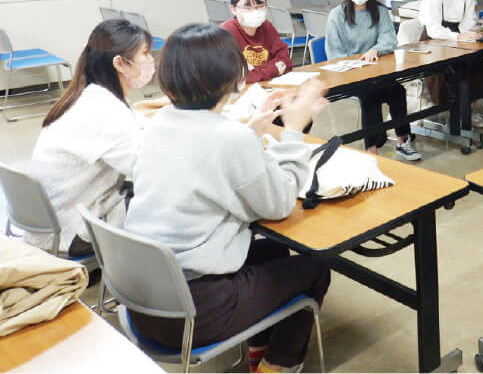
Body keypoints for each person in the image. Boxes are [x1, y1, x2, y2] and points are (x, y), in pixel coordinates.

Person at [124, 23, 329, 374]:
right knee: (315, 269)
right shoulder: (229, 138)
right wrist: (293, 130)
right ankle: (276, 366)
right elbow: (279, 204)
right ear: (233, 75)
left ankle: (257, 348)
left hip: (145, 303)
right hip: (195, 314)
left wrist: (249, 132)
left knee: (272, 250)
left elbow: (202, 155)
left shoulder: (159, 123)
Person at [27, 19, 154, 257]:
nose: (151, 60)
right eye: (146, 54)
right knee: (173, 197)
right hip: (71, 230)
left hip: (51, 221)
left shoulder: (91, 95)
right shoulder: (103, 110)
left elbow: (141, 126)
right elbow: (149, 170)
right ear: (120, 63)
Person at [325, 0, 420, 161]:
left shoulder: (380, 12)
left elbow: (389, 39)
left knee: (397, 91)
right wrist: (354, 64)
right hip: (350, 73)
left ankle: (403, 141)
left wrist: (374, 50)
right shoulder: (337, 14)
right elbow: (334, 52)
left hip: (376, 71)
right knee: (370, 96)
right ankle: (372, 149)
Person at [418, 0, 483, 128]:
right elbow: (433, 29)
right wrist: (458, 36)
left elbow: (468, 20)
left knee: (479, 66)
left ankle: (469, 111)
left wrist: (473, 33)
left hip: (459, 39)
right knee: (455, 71)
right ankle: (457, 113)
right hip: (435, 41)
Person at [222, 0, 293, 84]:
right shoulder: (226, 32)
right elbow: (237, 76)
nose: (255, 11)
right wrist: (273, 69)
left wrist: (255, 72)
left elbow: (286, 61)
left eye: (260, 6)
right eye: (248, 7)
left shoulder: (266, 26)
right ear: (234, 10)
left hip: (267, 85)